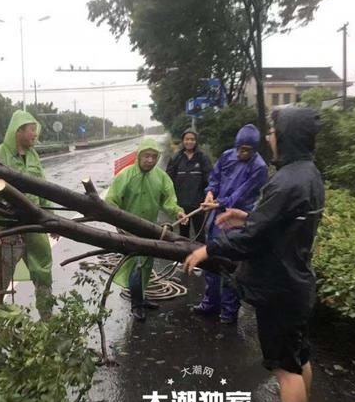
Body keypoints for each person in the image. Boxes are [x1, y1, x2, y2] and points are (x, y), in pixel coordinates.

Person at [184, 106, 325, 402]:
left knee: (286, 368)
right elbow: (275, 223)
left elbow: (253, 240)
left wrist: (208, 249)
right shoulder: (307, 175)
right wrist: (245, 216)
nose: (271, 138)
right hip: (295, 281)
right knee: (299, 358)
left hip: (279, 287)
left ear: (290, 135)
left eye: (276, 131)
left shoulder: (287, 180)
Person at [0, 110, 54, 331]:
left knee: (43, 272)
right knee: (2, 277)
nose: (35, 134)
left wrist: (52, 218)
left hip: (35, 223)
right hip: (9, 227)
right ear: (18, 131)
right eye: (31, 130)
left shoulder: (34, 157)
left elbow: (43, 188)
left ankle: (48, 320)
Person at [106, 137, 187, 322]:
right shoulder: (125, 176)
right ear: (139, 156)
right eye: (146, 156)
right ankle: (136, 305)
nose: (150, 160)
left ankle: (142, 297)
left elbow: (169, 200)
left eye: (153, 157)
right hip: (129, 231)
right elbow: (111, 202)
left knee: (147, 266)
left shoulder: (160, 177)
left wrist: (178, 212)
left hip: (151, 229)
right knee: (137, 265)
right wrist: (119, 223)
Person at [194, 124, 268, 323]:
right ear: (236, 146)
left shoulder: (259, 167)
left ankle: (229, 311)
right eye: (241, 149)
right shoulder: (227, 156)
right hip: (216, 214)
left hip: (236, 218)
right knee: (211, 260)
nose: (243, 153)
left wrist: (219, 202)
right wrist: (210, 192)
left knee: (230, 264)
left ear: (254, 150)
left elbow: (240, 194)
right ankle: (211, 303)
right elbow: (215, 178)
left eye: (248, 150)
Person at [165, 128, 212, 241]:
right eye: (187, 139)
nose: (189, 142)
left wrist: (209, 197)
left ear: (196, 141)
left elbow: (210, 179)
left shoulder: (202, 158)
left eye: (192, 139)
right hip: (181, 206)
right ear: (183, 141)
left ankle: (201, 258)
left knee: (200, 235)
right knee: (183, 235)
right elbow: (168, 180)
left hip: (198, 205)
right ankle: (184, 258)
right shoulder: (177, 158)